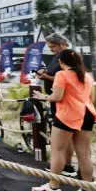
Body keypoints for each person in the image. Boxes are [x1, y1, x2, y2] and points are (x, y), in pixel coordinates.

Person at [31, 49, 96, 191]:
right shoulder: (87, 76)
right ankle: (87, 189)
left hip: (67, 115)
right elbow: (91, 98)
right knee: (84, 152)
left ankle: (54, 187)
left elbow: (57, 97)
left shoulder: (62, 74)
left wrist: (43, 97)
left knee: (58, 150)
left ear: (61, 62)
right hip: (86, 114)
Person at [36, 33, 78, 177]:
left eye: (53, 46)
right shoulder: (57, 57)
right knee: (66, 139)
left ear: (62, 44)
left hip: (61, 101)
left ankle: (60, 171)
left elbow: (66, 77)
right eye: (50, 47)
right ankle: (65, 166)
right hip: (59, 100)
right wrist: (44, 73)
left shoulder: (68, 57)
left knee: (61, 141)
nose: (52, 49)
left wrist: (46, 77)